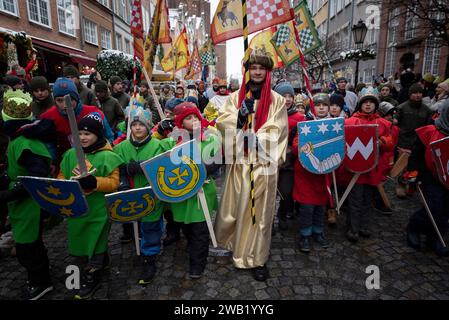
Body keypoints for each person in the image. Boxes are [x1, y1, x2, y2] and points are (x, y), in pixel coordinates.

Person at [214, 53, 288, 282]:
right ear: (247, 70)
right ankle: (232, 245)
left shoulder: (277, 100)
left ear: (267, 72)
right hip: (240, 164)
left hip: (263, 166)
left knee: (260, 215)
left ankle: (257, 258)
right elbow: (221, 122)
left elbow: (279, 130)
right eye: (253, 67)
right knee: (237, 208)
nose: (257, 72)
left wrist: (254, 138)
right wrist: (239, 117)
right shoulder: (235, 98)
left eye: (261, 68)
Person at [58, 113, 123, 299]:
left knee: (97, 241)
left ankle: (93, 274)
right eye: (79, 134)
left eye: (87, 134)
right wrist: (64, 184)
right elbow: (62, 175)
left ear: (98, 135)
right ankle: (96, 264)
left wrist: (95, 183)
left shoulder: (107, 157)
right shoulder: (71, 154)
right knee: (78, 240)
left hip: (98, 211)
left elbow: (113, 183)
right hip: (76, 210)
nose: (83, 138)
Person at [0, 89, 54, 300]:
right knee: (30, 244)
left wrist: (9, 194)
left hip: (30, 204)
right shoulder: (19, 139)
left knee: (28, 246)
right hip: (23, 204)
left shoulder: (25, 143)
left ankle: (41, 282)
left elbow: (36, 176)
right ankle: (39, 278)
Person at [160, 102, 220, 278]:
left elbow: (217, 160)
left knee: (200, 230)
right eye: (188, 118)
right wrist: (158, 130)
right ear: (180, 122)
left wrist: (201, 170)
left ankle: (198, 263)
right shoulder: (172, 140)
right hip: (181, 195)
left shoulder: (210, 137)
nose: (193, 120)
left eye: (195, 116)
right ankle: (190, 243)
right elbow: (158, 155)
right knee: (186, 226)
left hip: (202, 192)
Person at [113, 107, 165, 284]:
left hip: (152, 195)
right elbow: (116, 168)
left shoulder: (158, 146)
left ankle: (149, 258)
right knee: (135, 224)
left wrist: (142, 166)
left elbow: (161, 168)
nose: (137, 128)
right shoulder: (121, 147)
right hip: (130, 195)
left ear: (148, 126)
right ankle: (139, 245)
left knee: (151, 227)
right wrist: (123, 178)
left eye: (141, 124)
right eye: (133, 124)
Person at [339, 88, 394, 242]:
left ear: (376, 105)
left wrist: (381, 142)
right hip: (355, 169)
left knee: (368, 200)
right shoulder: (350, 122)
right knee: (355, 199)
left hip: (372, 169)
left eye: (371, 102)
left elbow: (390, 142)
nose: (368, 105)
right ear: (360, 104)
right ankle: (353, 228)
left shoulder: (383, 123)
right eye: (365, 102)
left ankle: (364, 226)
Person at [405, 100, 449, 257]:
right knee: (434, 206)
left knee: (445, 210)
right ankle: (414, 228)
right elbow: (416, 155)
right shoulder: (430, 132)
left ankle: (435, 237)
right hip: (430, 176)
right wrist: (413, 174)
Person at [40, 78, 114, 166]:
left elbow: (109, 138)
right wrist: (53, 162)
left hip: (95, 162)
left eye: (70, 99)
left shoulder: (94, 113)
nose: (65, 105)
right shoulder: (48, 117)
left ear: (77, 98)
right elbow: (49, 145)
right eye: (60, 100)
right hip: (66, 163)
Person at [273, 82, 305, 231]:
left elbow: (302, 138)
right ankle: (269, 220)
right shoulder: (270, 115)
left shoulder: (300, 118)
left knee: (286, 192)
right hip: (271, 162)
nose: (287, 99)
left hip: (289, 163)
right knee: (269, 194)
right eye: (283, 96)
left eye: (289, 96)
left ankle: (282, 214)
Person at [393, 83, 433, 198]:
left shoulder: (427, 110)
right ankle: (400, 185)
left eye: (420, 93)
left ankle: (412, 186)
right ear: (410, 94)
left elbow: (429, 126)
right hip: (404, 141)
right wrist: (394, 120)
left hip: (419, 143)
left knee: (415, 167)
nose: (418, 95)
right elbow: (395, 121)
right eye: (415, 93)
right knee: (402, 166)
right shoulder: (402, 107)